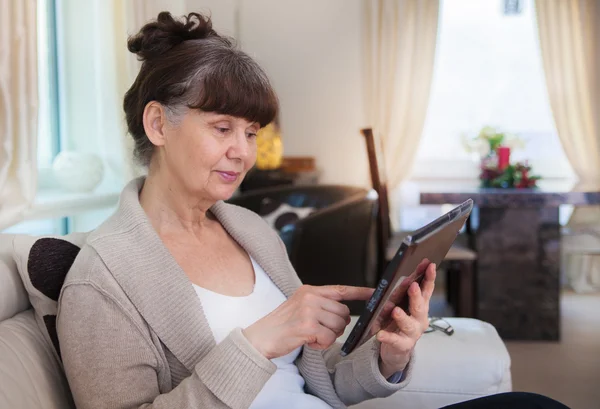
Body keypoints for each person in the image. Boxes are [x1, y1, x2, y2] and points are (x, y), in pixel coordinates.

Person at [56, 11, 570, 409]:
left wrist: (389, 354)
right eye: (222, 128)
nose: (244, 151)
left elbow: (318, 379)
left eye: (252, 132)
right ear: (158, 125)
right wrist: (255, 344)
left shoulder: (248, 230)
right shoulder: (102, 279)